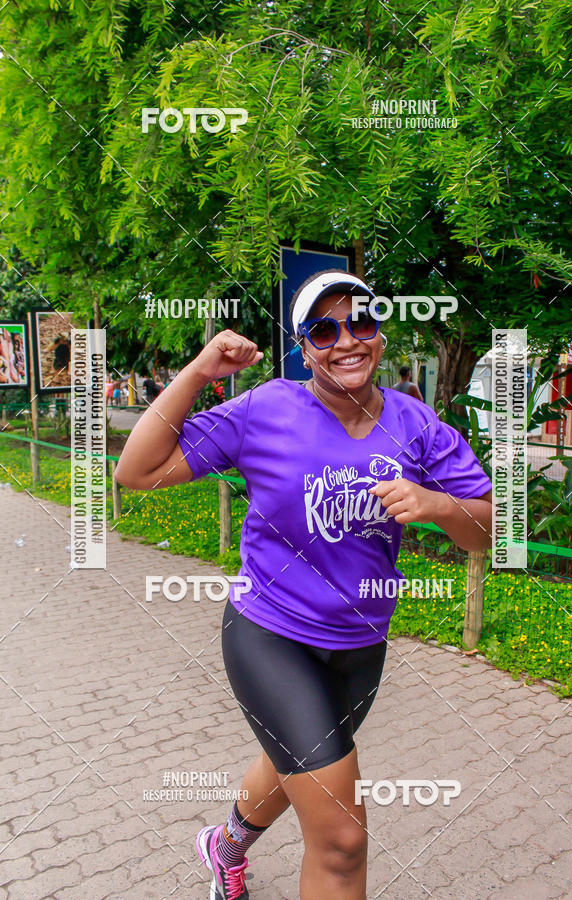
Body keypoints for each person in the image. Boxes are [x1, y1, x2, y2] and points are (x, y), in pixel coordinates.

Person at [115, 269, 493, 900]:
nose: (346, 340)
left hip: (359, 646)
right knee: (342, 841)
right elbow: (137, 469)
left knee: (293, 759)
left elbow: (488, 533)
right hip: (271, 635)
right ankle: (234, 847)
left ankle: (225, 844)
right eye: (324, 328)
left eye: (361, 323)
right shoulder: (267, 410)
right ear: (303, 346)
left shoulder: (418, 423)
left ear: (379, 334)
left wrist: (437, 506)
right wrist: (200, 372)